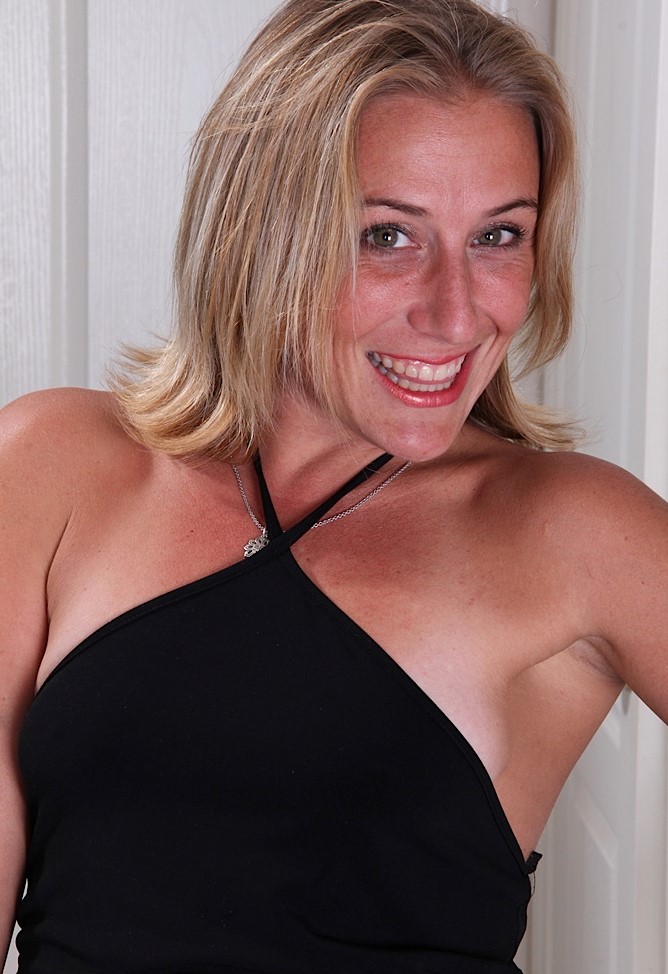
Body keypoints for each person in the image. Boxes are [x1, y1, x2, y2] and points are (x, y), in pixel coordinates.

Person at [1, 0, 666, 971]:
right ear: (260, 232)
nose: (455, 313)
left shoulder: (575, 530)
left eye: (498, 236)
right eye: (387, 235)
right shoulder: (48, 462)